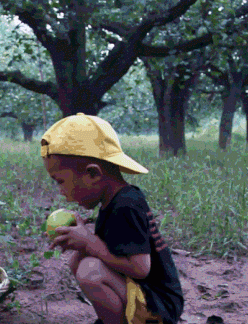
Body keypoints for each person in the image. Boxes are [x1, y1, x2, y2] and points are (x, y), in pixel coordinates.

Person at [41, 113, 184, 324]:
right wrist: (82, 243)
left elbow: (140, 268)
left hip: (159, 306)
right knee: (79, 262)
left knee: (90, 271)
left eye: (60, 181)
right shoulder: (114, 202)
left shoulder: (126, 205)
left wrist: (90, 243)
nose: (60, 191)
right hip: (143, 295)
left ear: (93, 174)